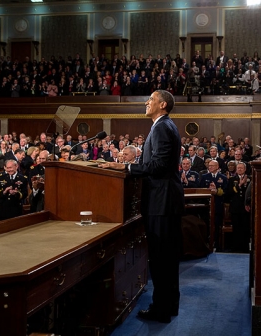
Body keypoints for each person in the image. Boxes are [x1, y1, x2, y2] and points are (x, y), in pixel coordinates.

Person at [99, 90, 184, 323]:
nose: (146, 102)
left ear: (162, 104)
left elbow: (158, 166)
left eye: (151, 99)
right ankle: (169, 305)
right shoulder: (164, 126)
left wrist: (125, 168)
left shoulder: (162, 127)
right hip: (164, 199)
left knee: (161, 259)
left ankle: (161, 310)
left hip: (161, 201)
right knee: (166, 258)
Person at [224, 162, 251, 252]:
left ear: (245, 169)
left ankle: (245, 248)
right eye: (238, 168)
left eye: (241, 168)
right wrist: (239, 185)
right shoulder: (232, 180)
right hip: (235, 208)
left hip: (246, 208)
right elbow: (228, 193)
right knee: (236, 228)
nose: (239, 169)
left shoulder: (250, 179)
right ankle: (236, 248)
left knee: (245, 228)